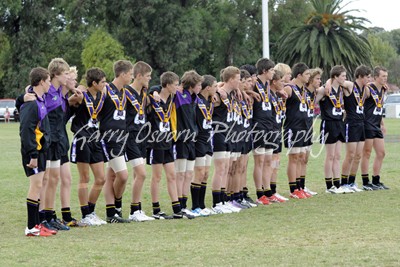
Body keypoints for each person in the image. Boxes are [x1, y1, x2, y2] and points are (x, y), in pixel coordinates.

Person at [147, 71, 194, 219]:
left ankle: (177, 209)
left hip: (168, 141)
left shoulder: (173, 98)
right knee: (157, 177)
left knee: (172, 175)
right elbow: (152, 88)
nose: (178, 87)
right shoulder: (153, 97)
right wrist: (153, 90)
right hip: (156, 142)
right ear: (167, 85)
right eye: (175, 84)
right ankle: (156, 210)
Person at [69, 67, 108, 225]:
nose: (105, 84)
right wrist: (75, 91)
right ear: (94, 83)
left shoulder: (101, 95)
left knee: (101, 178)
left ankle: (90, 211)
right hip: (82, 139)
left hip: (95, 138)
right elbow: (69, 101)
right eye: (103, 82)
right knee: (84, 178)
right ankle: (85, 214)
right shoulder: (81, 96)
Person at [21, 67, 56, 236]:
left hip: (41, 150)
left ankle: (37, 224)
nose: (50, 83)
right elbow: (26, 131)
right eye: (49, 80)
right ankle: (31, 227)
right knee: (35, 186)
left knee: (39, 185)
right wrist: (33, 154)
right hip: (33, 153)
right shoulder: (31, 103)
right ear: (41, 81)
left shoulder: (40, 101)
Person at [99, 60, 133, 223]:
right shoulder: (106, 89)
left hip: (122, 137)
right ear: (123, 74)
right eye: (131, 74)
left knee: (111, 176)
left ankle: (111, 213)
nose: (132, 77)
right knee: (123, 176)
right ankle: (116, 208)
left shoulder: (124, 92)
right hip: (110, 138)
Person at [124, 61, 155, 222]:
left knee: (139, 174)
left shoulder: (144, 93)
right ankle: (133, 210)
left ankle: (138, 209)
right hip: (130, 136)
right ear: (139, 76)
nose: (150, 79)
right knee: (142, 174)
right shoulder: (126, 92)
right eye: (148, 76)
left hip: (142, 136)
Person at [210, 66, 241, 214]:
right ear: (230, 79)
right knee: (220, 168)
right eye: (238, 79)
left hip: (229, 134)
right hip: (218, 134)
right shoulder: (217, 95)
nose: (239, 82)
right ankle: (217, 203)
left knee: (226, 168)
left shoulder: (231, 94)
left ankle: (223, 200)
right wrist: (217, 88)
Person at [336, 65, 372, 192]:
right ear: (360, 76)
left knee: (358, 155)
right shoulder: (351, 85)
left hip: (361, 123)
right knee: (350, 154)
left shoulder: (365, 90)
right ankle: (343, 182)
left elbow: (370, 94)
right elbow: (338, 80)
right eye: (367, 77)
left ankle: (351, 182)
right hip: (350, 123)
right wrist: (329, 83)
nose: (369, 79)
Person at [174, 70, 203, 217]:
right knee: (180, 174)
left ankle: (185, 204)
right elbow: (159, 88)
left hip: (192, 139)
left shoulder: (195, 98)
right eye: (198, 85)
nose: (200, 88)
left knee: (189, 174)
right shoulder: (179, 95)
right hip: (181, 139)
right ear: (192, 85)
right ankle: (178, 205)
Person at [282, 63, 312, 199]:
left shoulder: (304, 90)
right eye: (306, 74)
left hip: (305, 127)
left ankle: (300, 187)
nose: (309, 77)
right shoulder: (289, 88)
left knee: (301, 157)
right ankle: (293, 189)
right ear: (299, 75)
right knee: (294, 158)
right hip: (293, 128)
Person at [320, 65, 351, 194]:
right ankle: (329, 186)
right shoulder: (324, 90)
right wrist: (327, 82)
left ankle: (337, 184)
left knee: (338, 155)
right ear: (335, 77)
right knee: (330, 156)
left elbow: (350, 84)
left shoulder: (341, 89)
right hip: (329, 123)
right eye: (342, 76)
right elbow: (314, 101)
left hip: (339, 123)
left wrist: (329, 81)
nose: (345, 78)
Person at [191, 75, 218, 215]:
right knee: (199, 172)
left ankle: (201, 205)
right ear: (208, 88)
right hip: (198, 140)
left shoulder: (210, 101)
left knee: (206, 173)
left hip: (208, 139)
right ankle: (195, 206)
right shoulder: (196, 100)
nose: (217, 89)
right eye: (215, 86)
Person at [251, 58, 276, 205]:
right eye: (271, 70)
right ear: (265, 71)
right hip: (258, 126)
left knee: (268, 160)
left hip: (270, 126)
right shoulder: (254, 84)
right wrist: (248, 91)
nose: (273, 73)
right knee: (259, 161)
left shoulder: (268, 85)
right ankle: (259, 192)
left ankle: (267, 191)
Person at [360, 66, 389, 190]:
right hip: (367, 124)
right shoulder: (368, 88)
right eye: (383, 76)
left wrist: (382, 124)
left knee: (381, 153)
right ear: (376, 77)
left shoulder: (383, 89)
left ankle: (376, 180)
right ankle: (366, 182)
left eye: (386, 76)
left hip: (376, 125)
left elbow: (379, 107)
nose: (385, 79)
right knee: (366, 153)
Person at [301, 68, 325, 196]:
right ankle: (296, 187)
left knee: (305, 159)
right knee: (298, 158)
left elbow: (328, 86)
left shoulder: (315, 93)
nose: (320, 81)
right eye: (317, 78)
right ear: (310, 79)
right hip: (299, 128)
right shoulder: (302, 91)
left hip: (309, 127)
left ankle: (302, 186)